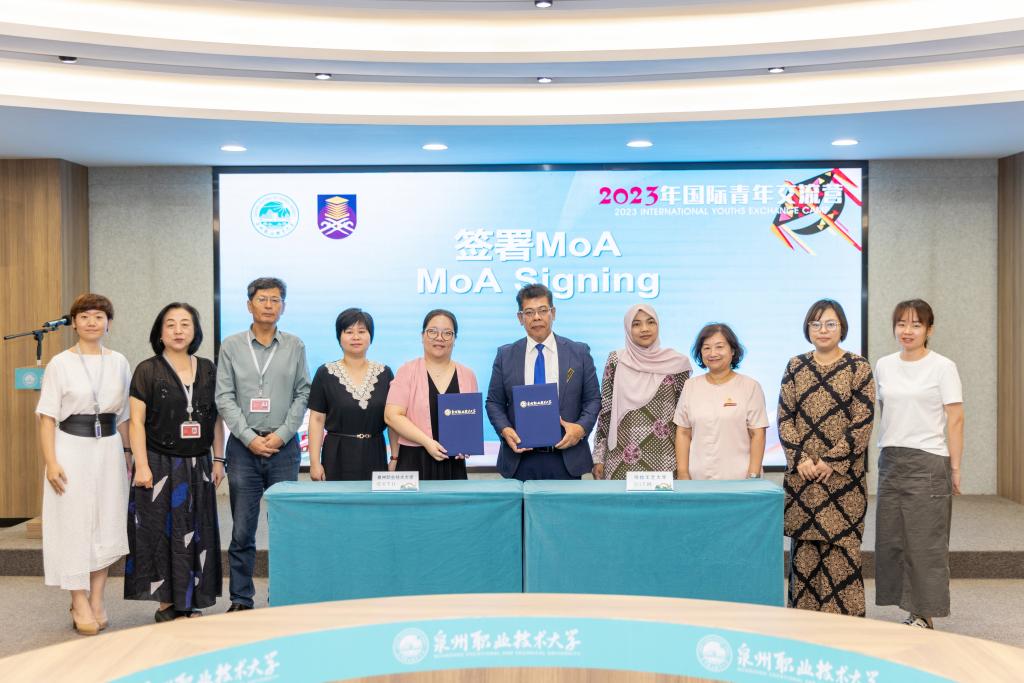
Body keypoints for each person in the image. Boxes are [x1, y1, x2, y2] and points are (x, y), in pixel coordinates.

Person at [36, 293, 132, 636]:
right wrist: (51, 462)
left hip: (108, 449)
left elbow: (124, 416)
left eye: (99, 317)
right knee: (74, 523)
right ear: (74, 323)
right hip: (70, 449)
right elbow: (47, 418)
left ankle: (98, 599)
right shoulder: (60, 363)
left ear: (109, 324)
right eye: (85, 316)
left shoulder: (119, 362)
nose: (92, 322)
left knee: (106, 522)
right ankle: (78, 598)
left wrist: (128, 455)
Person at [124, 302, 225, 621]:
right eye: (170, 324)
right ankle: (167, 602)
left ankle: (190, 599)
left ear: (195, 331)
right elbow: (136, 422)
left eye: (185, 324)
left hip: (199, 463)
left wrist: (219, 458)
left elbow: (216, 418)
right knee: (161, 533)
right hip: (159, 463)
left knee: (196, 531)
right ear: (160, 332)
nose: (178, 330)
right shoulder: (147, 369)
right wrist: (141, 465)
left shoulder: (208, 368)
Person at [215, 277, 310, 612]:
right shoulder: (231, 346)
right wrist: (249, 437)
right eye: (262, 299)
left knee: (284, 527)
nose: (269, 305)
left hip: (284, 448)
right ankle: (241, 598)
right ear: (249, 305)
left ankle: (282, 595)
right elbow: (224, 397)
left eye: (275, 299)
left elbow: (303, 393)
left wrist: (282, 434)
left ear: (283, 306)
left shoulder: (295, 345)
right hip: (244, 449)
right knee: (243, 529)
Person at [778, 299, 875, 616]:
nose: (823, 330)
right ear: (808, 328)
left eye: (830, 324)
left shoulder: (858, 367)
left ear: (842, 327)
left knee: (841, 553)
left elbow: (862, 421)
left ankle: (844, 628)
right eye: (816, 324)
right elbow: (785, 418)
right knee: (805, 554)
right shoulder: (795, 366)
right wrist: (802, 459)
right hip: (804, 476)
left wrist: (830, 461)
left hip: (843, 480)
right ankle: (803, 623)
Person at [874, 299, 964, 629]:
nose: (907, 331)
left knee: (925, 542)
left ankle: (925, 614)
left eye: (915, 324)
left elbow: (956, 418)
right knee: (892, 539)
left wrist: (955, 468)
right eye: (901, 324)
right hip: (891, 460)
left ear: (929, 330)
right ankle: (909, 609)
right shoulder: (884, 365)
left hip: (928, 460)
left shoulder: (943, 366)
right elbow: (885, 410)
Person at [485, 284, 601, 480]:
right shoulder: (505, 355)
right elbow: (494, 403)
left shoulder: (578, 353)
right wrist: (505, 430)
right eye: (529, 312)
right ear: (520, 318)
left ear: (553, 313)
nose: (536, 317)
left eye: (542, 310)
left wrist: (581, 429)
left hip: (566, 457)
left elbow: (593, 399)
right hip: (520, 459)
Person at [592, 304, 691, 479]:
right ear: (628, 328)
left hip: (665, 457)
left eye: (650, 322)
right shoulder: (617, 360)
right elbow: (606, 410)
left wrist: (685, 465)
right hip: (621, 458)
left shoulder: (677, 364)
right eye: (636, 324)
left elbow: (684, 420)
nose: (644, 329)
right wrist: (598, 457)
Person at [385, 310, 478, 479]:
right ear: (422, 336)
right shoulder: (407, 371)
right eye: (432, 331)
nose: (439, 338)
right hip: (414, 460)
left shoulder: (468, 375)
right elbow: (392, 416)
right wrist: (427, 442)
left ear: (455, 339)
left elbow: (469, 422)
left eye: (447, 333)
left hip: (453, 463)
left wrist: (466, 445)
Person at [308, 308, 396, 481]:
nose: (356, 337)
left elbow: (393, 421)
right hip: (337, 454)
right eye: (349, 332)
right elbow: (317, 420)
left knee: (374, 499)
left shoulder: (384, 373)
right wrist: (314, 462)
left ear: (370, 336)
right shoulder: (325, 373)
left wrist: (394, 457)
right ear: (339, 337)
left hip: (375, 452)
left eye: (362, 331)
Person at [673, 323, 768, 480]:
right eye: (706, 348)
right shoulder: (691, 386)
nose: (713, 353)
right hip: (697, 479)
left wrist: (753, 476)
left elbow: (757, 434)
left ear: (732, 350)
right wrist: (683, 473)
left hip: (740, 479)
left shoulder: (750, 386)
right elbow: (683, 432)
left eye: (719, 347)